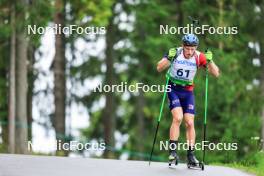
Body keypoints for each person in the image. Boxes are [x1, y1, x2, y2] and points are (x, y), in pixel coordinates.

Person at [156, 33, 220, 165]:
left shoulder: (199, 56)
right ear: (182, 46)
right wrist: (168, 58)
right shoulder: (175, 53)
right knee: (178, 118)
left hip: (188, 91)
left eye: (193, 49)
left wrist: (210, 61)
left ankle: (191, 156)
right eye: (187, 49)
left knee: (190, 122)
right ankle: (173, 153)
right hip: (173, 88)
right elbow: (159, 67)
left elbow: (216, 73)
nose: (190, 52)